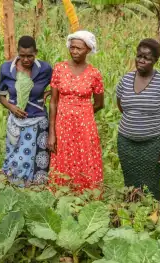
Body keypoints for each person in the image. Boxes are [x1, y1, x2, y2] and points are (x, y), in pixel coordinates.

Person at [116, 38, 160, 200]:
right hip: (126, 142)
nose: (141, 60)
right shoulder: (125, 80)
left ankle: (152, 217)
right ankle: (130, 216)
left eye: (147, 58)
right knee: (130, 182)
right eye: (139, 56)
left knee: (151, 184)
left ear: (155, 60)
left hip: (153, 143)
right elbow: (122, 107)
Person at [48, 30, 105, 191]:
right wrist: (52, 132)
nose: (74, 51)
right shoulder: (59, 69)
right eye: (72, 47)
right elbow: (53, 102)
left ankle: (85, 197)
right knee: (63, 158)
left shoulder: (94, 74)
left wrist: (83, 113)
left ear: (88, 49)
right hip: (62, 124)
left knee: (85, 158)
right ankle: (62, 196)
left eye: (79, 48)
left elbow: (100, 103)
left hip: (85, 126)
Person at [0, 36, 53, 185]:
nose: (26, 59)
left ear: (36, 52)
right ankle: (15, 186)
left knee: (38, 158)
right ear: (18, 53)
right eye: (22, 55)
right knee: (14, 156)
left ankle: (36, 190)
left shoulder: (45, 69)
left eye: (30, 55)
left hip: (38, 122)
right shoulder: (7, 68)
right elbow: (1, 95)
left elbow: (59, 85)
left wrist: (49, 93)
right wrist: (11, 107)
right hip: (16, 122)